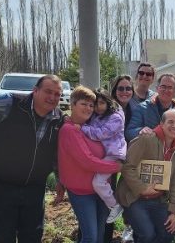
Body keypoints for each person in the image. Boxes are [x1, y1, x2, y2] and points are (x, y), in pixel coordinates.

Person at [0, 74, 63, 242]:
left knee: (32, 237)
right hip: (2, 189)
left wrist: (59, 179)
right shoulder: (10, 104)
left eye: (57, 94)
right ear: (35, 91)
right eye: (48, 91)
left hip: (35, 191)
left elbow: (59, 154)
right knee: (2, 237)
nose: (52, 97)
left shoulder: (59, 120)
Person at [58, 86, 121, 243]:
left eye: (91, 105)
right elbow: (87, 161)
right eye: (83, 104)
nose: (88, 108)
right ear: (72, 104)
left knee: (99, 235)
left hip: (99, 191)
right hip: (82, 193)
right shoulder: (69, 130)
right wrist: (117, 167)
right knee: (90, 237)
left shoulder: (91, 127)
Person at [116, 109, 175, 243]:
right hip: (135, 198)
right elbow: (127, 166)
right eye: (170, 122)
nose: (174, 126)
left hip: (158, 200)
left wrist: (173, 212)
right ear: (161, 124)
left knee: (168, 233)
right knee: (147, 235)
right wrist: (142, 188)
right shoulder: (146, 139)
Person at [81, 89, 127, 223]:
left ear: (108, 102)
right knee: (99, 181)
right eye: (95, 104)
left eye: (101, 103)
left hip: (114, 153)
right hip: (107, 153)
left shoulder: (116, 117)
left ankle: (115, 206)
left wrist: (82, 128)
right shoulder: (97, 116)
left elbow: (101, 133)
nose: (98, 107)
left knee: (98, 182)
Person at [109, 75, 136, 242]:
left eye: (128, 88)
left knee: (127, 192)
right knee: (107, 194)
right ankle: (104, 232)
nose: (124, 92)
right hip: (107, 158)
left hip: (126, 157)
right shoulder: (107, 107)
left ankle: (128, 227)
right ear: (114, 90)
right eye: (121, 88)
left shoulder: (134, 109)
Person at [126, 73, 175, 141]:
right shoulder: (142, 108)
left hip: (171, 150)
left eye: (170, 87)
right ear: (157, 88)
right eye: (163, 86)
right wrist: (140, 131)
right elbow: (129, 132)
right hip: (149, 150)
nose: (166, 90)